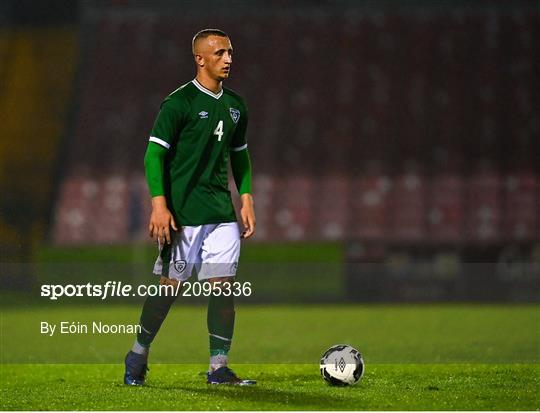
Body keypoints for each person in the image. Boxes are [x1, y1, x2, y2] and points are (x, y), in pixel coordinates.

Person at [124, 28, 256, 386]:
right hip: (183, 215)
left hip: (221, 213)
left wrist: (245, 198)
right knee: (168, 288)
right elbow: (154, 154)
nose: (228, 59)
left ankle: (218, 367)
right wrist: (159, 206)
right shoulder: (178, 103)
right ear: (200, 58)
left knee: (223, 286)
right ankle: (138, 352)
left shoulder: (236, 106)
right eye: (219, 53)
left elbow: (240, 157)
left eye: (230, 52)